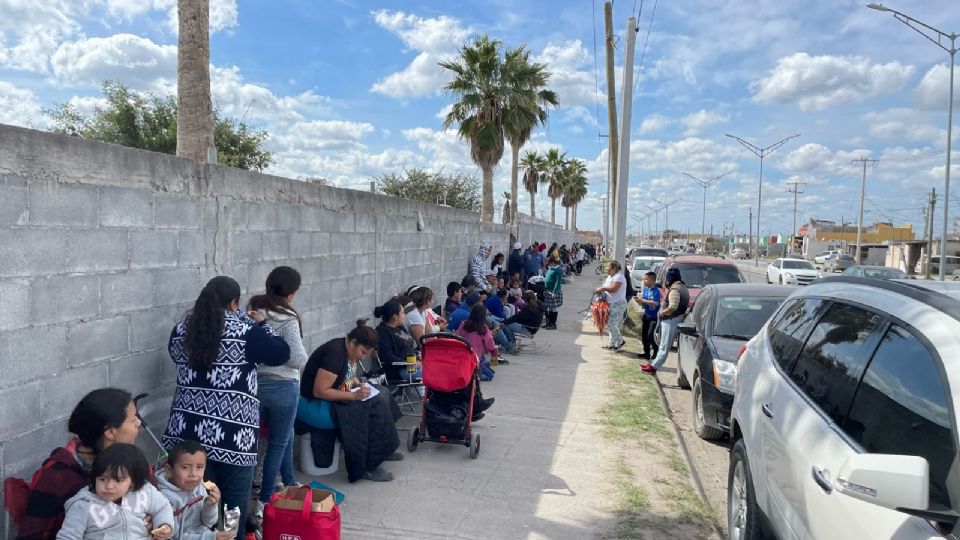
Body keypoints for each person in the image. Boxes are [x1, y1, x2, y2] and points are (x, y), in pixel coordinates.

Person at [162, 276, 290, 540]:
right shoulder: (246, 331)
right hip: (233, 437)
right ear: (234, 303)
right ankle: (228, 537)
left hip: (188, 436)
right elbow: (281, 353)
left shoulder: (182, 329)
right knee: (230, 504)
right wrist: (261, 323)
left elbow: (175, 355)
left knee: (196, 501)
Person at [17, 388, 142, 540]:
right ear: (110, 433)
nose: (139, 423)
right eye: (132, 419)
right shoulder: (58, 476)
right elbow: (30, 536)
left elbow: (152, 496)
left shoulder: (130, 459)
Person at [298, 321, 402, 483]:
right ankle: (367, 466)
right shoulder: (335, 354)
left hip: (332, 397)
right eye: (363, 351)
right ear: (353, 343)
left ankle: (383, 449)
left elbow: (349, 375)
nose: (363, 356)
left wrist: (357, 383)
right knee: (370, 408)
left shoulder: (348, 350)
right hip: (315, 405)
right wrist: (354, 396)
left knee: (383, 393)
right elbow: (320, 391)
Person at [246, 266, 309, 518]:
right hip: (283, 386)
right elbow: (297, 358)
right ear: (291, 293)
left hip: (255, 384)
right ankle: (265, 499)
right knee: (278, 442)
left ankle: (281, 482)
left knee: (254, 439)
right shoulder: (287, 318)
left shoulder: (253, 310)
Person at [56, 443, 174, 540]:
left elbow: (162, 507)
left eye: (118, 480)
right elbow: (67, 537)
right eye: (102, 479)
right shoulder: (83, 505)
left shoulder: (144, 492)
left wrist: (165, 525)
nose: (109, 486)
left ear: (132, 481)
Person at [157, 440, 230, 540]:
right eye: (185, 467)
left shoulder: (199, 487)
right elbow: (175, 536)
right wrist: (211, 537)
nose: (193, 474)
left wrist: (210, 506)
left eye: (199, 467)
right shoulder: (165, 498)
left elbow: (209, 523)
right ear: (169, 471)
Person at [642, 268, 690, 375]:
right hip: (674, 319)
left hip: (670, 320)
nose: (666, 282)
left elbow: (672, 307)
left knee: (664, 346)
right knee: (663, 345)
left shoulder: (675, 290)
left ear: (670, 279)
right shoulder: (682, 287)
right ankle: (653, 364)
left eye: (667, 279)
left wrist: (662, 312)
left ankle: (653, 367)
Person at [375, 300, 420, 383]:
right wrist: (409, 364)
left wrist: (418, 355)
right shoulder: (383, 332)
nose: (405, 315)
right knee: (432, 372)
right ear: (395, 317)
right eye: (402, 313)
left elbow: (409, 347)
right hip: (398, 370)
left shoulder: (400, 327)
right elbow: (387, 357)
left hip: (413, 365)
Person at [455, 304, 500, 381]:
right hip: (475, 358)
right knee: (490, 375)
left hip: (462, 355)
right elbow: (491, 346)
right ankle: (476, 373)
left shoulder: (464, 324)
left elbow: (456, 336)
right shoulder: (483, 329)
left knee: (487, 367)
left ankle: (479, 369)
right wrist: (495, 357)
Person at [596, 260, 628, 349]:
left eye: (608, 267)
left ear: (614, 268)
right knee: (612, 324)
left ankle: (620, 341)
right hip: (610, 303)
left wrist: (603, 288)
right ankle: (611, 343)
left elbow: (614, 289)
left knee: (611, 324)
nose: (607, 269)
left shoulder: (619, 277)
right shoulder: (610, 277)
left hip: (618, 303)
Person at [636, 271, 662, 360]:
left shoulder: (656, 291)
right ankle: (646, 353)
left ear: (652, 280)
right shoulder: (645, 290)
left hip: (654, 317)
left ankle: (656, 350)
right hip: (646, 315)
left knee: (650, 335)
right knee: (644, 336)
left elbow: (655, 303)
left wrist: (643, 301)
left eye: (646, 279)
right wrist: (639, 301)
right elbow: (643, 304)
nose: (644, 280)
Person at [543, 256, 564, 330]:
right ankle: (548, 322)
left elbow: (558, 282)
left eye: (549, 263)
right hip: (548, 290)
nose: (548, 265)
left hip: (553, 291)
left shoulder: (558, 270)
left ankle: (553, 324)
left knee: (553, 308)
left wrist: (554, 292)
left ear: (553, 263)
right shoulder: (550, 268)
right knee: (548, 308)